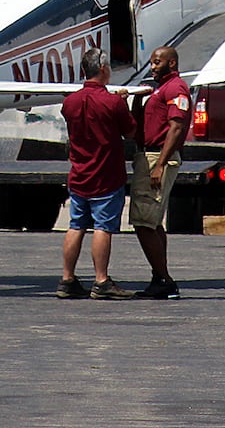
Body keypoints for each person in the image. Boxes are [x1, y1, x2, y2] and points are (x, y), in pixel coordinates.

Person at [58, 47, 135, 301]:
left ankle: (67, 278)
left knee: (76, 225)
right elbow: (130, 131)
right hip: (106, 175)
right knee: (103, 227)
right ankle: (101, 279)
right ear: (103, 69)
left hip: (79, 173)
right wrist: (124, 103)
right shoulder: (112, 102)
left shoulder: (69, 102)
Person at [128, 45, 190, 300]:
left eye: (157, 62)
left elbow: (176, 127)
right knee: (153, 222)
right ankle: (160, 277)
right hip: (147, 154)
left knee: (143, 222)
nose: (152, 67)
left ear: (171, 64)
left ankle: (164, 279)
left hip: (156, 156)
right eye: (152, 63)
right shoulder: (157, 90)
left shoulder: (176, 89)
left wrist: (160, 164)